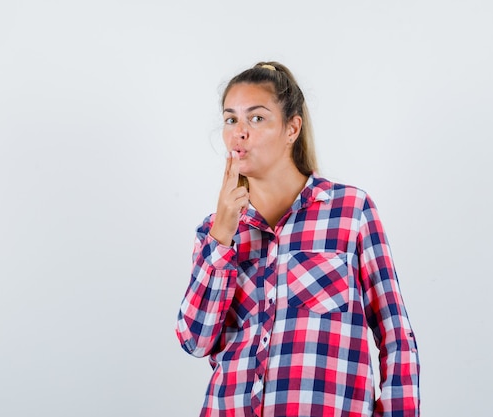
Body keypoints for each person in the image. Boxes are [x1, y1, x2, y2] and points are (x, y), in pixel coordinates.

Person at [176, 61, 420, 417]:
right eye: (231, 119)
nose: (238, 132)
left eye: (256, 118)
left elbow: (396, 335)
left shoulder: (350, 211)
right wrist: (222, 235)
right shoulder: (215, 231)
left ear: (292, 128)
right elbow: (194, 341)